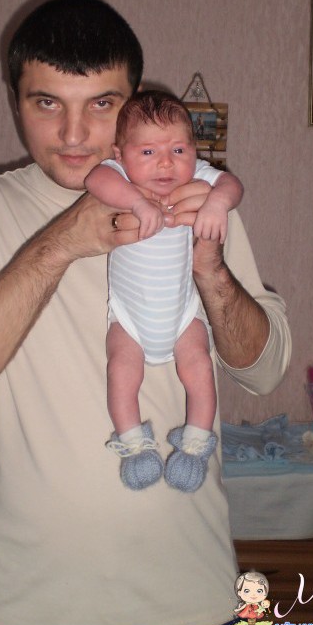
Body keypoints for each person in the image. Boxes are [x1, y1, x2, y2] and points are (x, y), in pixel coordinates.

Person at [0, 0, 291, 625]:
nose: (75, 135)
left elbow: (264, 371)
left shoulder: (195, 197)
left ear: (134, 104)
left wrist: (211, 269)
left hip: (194, 599)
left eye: (102, 105)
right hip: (31, 611)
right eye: (47, 103)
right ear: (15, 101)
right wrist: (63, 242)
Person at [84, 92, 244, 493]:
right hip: (130, 319)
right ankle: (134, 446)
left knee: (200, 368)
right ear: (120, 155)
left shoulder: (195, 180)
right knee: (121, 371)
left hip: (183, 314)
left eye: (178, 149)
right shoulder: (119, 177)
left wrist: (217, 204)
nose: (166, 162)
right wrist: (138, 203)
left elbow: (232, 184)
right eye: (148, 151)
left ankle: (195, 446)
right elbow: (95, 180)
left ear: (194, 152)